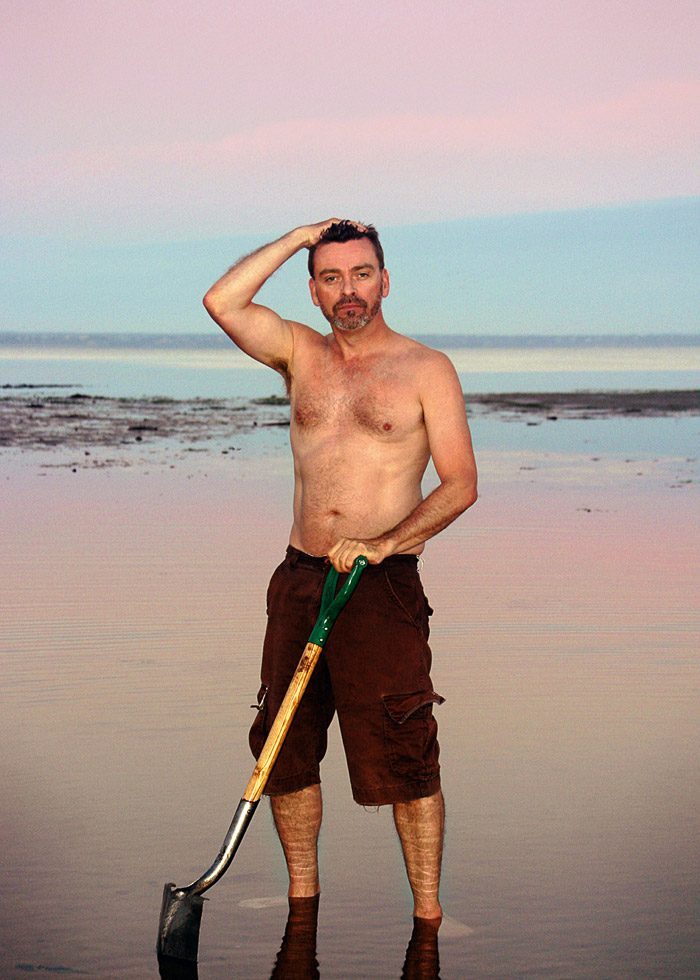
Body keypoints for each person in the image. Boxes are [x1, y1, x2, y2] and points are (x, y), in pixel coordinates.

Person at [203, 219, 477, 924]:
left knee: (405, 746)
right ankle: (302, 900)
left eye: (361, 274)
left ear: (385, 282)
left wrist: (385, 543)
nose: (348, 290)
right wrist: (297, 236)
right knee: (283, 746)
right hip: (300, 576)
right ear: (315, 290)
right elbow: (223, 302)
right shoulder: (300, 352)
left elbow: (460, 484)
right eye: (331, 276)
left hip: (380, 586)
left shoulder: (425, 369)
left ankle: (430, 914)